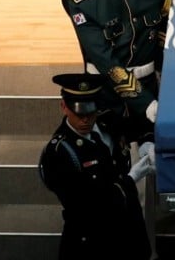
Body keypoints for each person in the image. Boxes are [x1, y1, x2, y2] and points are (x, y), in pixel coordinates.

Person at [39, 73, 155, 260]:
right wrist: (130, 179)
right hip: (92, 245)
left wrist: (147, 143)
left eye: (90, 111)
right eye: (79, 112)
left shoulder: (105, 122)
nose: (85, 119)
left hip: (129, 237)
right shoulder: (59, 152)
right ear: (64, 107)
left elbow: (142, 125)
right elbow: (89, 207)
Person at [66, 0, 169, 124]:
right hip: (106, 95)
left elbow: (164, 39)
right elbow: (106, 62)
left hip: (149, 84)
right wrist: (146, 103)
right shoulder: (84, 3)